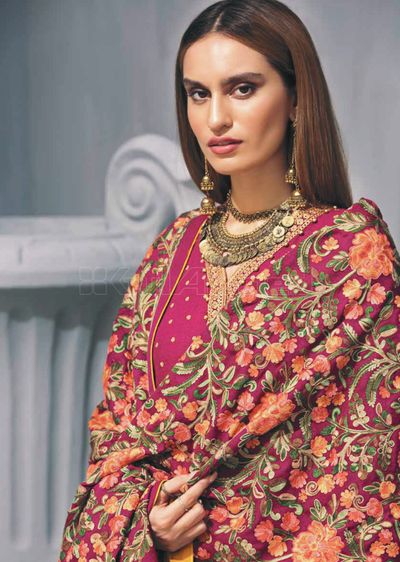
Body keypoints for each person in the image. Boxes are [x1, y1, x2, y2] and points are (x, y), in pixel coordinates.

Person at [58, 1, 400, 561]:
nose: (216, 118)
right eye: (198, 93)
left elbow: (366, 454)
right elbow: (117, 433)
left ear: (296, 98)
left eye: (242, 89)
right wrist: (147, 522)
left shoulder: (350, 255)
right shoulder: (172, 250)